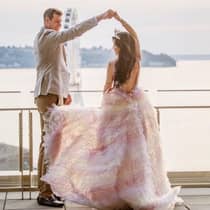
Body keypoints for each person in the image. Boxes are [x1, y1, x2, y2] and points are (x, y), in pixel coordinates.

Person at [41, 12, 190, 210]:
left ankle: (117, 193)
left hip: (116, 109)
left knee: (112, 153)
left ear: (117, 46)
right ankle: (137, 190)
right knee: (136, 152)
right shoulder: (136, 61)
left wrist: (105, 107)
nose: (112, 47)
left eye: (113, 44)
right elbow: (135, 37)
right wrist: (121, 21)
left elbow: (106, 87)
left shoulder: (112, 64)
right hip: (136, 109)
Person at [34, 8, 116, 207]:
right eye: (56, 22)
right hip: (48, 94)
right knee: (49, 143)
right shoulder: (48, 36)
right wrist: (99, 17)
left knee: (51, 143)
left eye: (61, 22)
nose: (59, 26)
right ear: (47, 20)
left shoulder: (51, 37)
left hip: (54, 93)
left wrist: (65, 93)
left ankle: (49, 190)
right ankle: (44, 193)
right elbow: (75, 31)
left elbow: (57, 68)